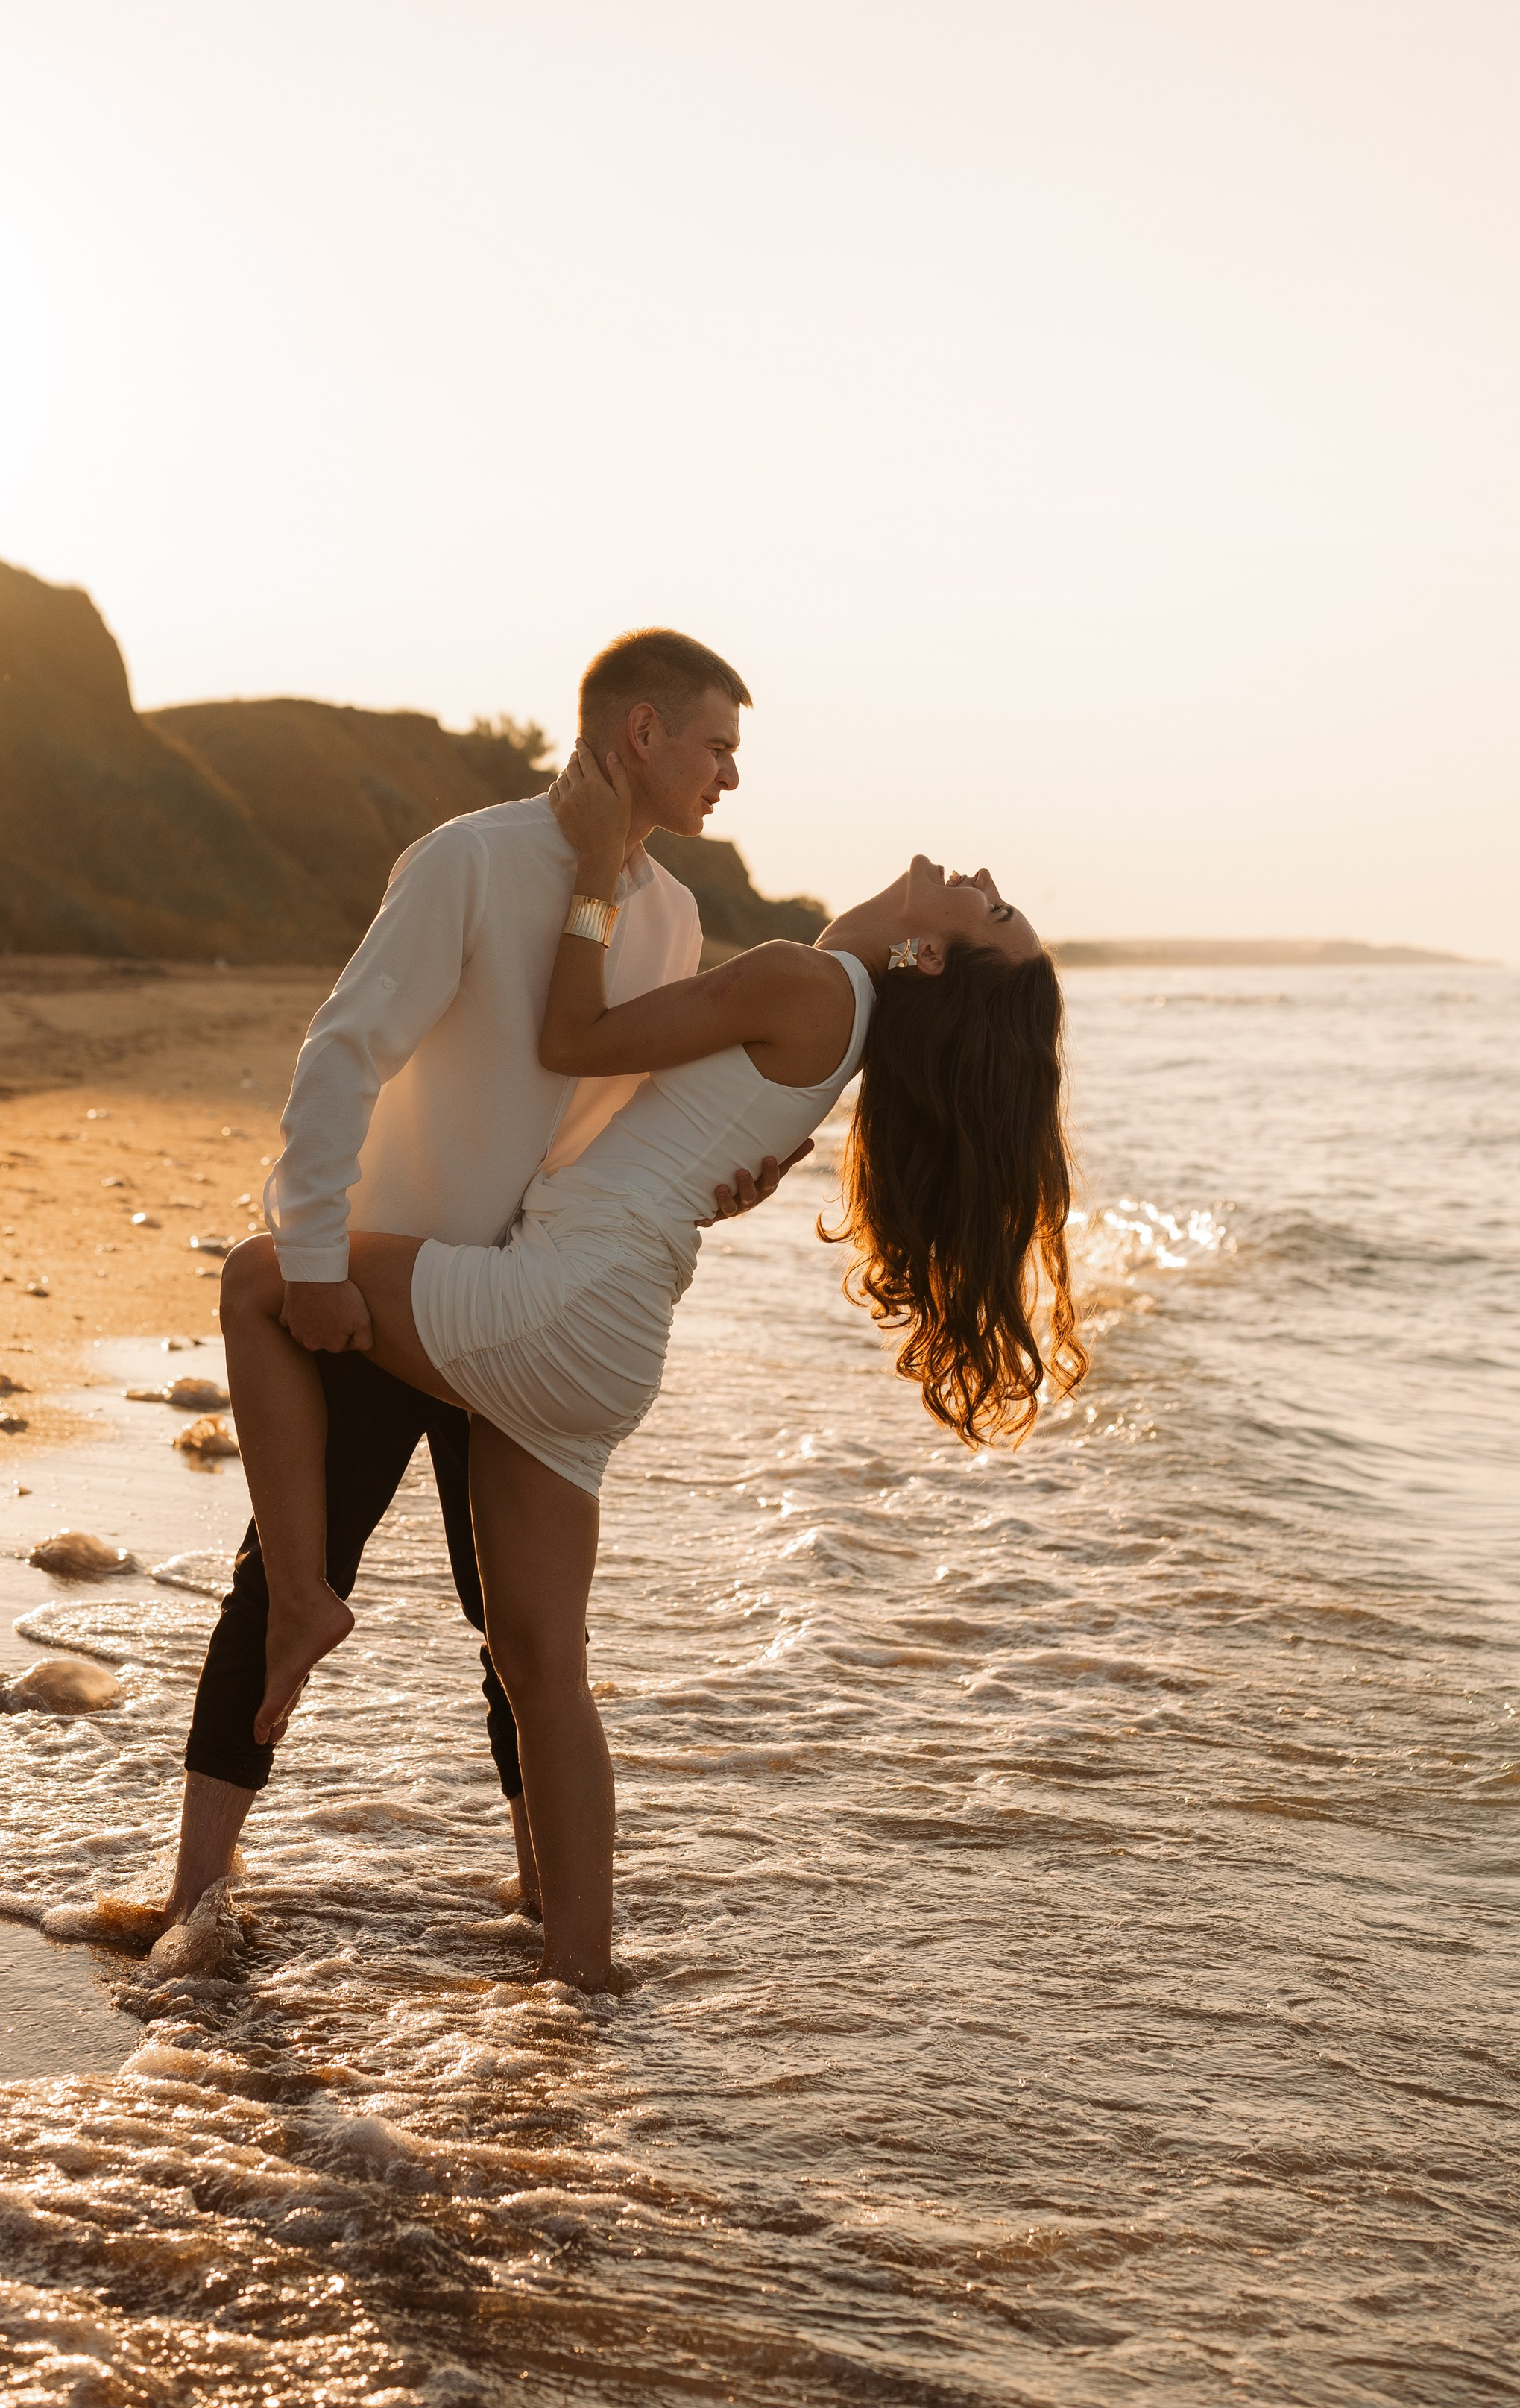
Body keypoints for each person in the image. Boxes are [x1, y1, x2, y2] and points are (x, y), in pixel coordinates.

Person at [219, 742, 1088, 1990]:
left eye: (991, 907)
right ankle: (582, 1982)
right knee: (541, 1668)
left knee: (262, 1277)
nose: (985, 875)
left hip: (562, 1297)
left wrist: (590, 882)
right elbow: (689, 1149)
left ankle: (302, 1592)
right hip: (611, 1339)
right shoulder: (839, 1025)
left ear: (935, 958)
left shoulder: (808, 980)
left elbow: (573, 1036)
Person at [161, 629, 809, 1932]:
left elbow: (632, 1121)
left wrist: (733, 1180)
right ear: (641, 732)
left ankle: (537, 1896)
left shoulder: (672, 915)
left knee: (514, 1633)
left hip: (518, 1307)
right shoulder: (469, 857)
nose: (731, 776)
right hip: (380, 1291)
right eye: (717, 746)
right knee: (286, 1577)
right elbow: (343, 1051)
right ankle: (193, 1896)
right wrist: (323, 1258)